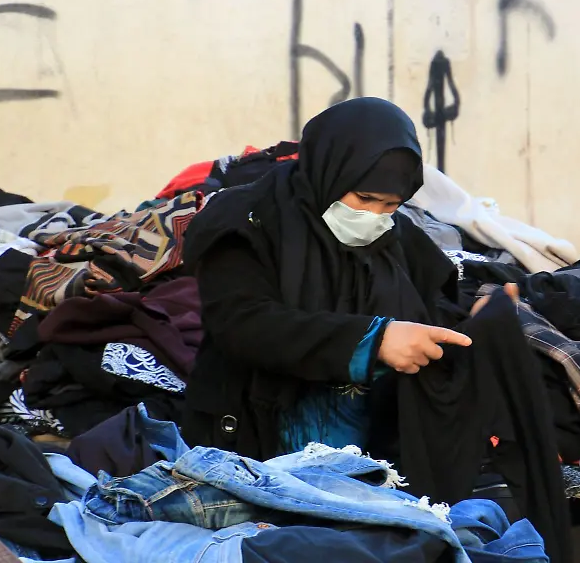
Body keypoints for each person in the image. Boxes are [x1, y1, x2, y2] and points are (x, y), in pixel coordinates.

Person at [181, 97, 476, 460]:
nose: (373, 215)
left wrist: (479, 314)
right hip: (256, 444)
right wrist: (373, 341)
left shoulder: (396, 237)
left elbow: (435, 301)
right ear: (330, 171)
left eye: (390, 205)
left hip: (371, 453)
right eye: (364, 198)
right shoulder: (247, 221)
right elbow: (242, 324)